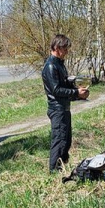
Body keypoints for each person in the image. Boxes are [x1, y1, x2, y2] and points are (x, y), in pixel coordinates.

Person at [41, 34, 90, 172]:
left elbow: (64, 84)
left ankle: (62, 166)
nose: (67, 52)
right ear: (57, 48)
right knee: (59, 140)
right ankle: (54, 170)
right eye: (65, 49)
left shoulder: (59, 64)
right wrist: (75, 93)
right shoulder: (51, 66)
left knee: (66, 139)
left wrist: (78, 91)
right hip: (57, 109)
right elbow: (56, 89)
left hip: (64, 108)